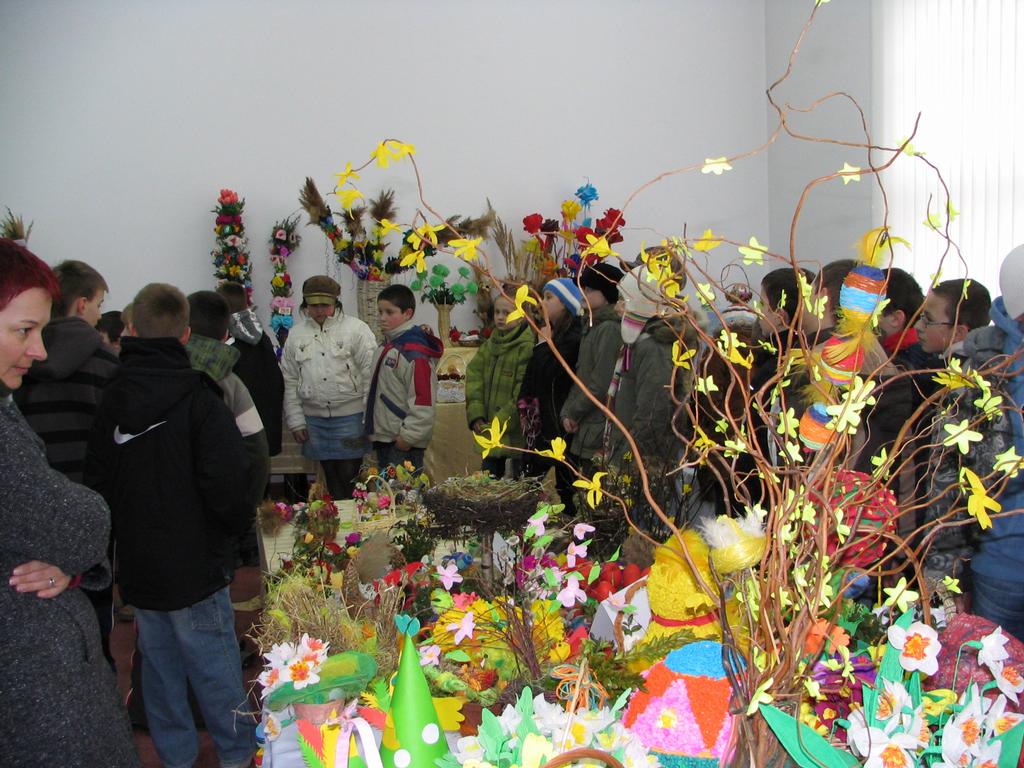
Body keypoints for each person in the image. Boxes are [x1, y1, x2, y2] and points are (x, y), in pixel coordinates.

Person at [85, 282, 255, 768]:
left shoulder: (111, 398)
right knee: (216, 666)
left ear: (130, 330)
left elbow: (97, 483)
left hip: (141, 564)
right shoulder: (201, 398)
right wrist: (229, 538)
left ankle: (176, 757)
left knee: (158, 669)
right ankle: (238, 755)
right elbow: (230, 483)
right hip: (198, 564)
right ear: (184, 335)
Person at [0, 239, 139, 766]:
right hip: (32, 689)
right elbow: (81, 523)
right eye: (24, 330)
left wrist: (69, 561)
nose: (38, 350)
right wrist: (82, 530)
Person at [13, 258, 120, 663]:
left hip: (31, 510)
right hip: (93, 503)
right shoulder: (107, 364)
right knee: (94, 612)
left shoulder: (18, 366)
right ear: (81, 304)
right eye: (99, 304)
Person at [916, 279, 996, 584]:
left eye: (928, 319)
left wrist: (942, 568)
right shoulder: (963, 372)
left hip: (953, 552)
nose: (919, 327)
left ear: (960, 332)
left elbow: (947, 479)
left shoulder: (964, 386)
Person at [187, 290, 269, 565]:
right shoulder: (229, 382)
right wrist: (247, 508)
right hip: (219, 498)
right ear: (226, 334)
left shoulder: (159, 372)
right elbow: (257, 448)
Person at [969, 245, 1024, 639]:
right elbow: (949, 470)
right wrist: (943, 569)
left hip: (1000, 559)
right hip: (1001, 563)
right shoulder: (982, 362)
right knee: (991, 671)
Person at [282, 275, 377, 498]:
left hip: (351, 417)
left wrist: (369, 418)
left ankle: (352, 516)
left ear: (336, 303)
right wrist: (296, 420)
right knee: (331, 476)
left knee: (350, 476)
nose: (320, 311)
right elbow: (290, 379)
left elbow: (370, 376)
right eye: (313, 306)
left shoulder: (357, 329)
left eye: (325, 305)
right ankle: (338, 514)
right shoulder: (296, 334)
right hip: (314, 420)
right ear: (305, 305)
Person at [518, 278, 584, 514]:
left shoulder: (574, 337)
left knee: (567, 487)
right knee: (528, 483)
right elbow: (533, 377)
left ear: (566, 304)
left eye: (549, 298)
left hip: (562, 424)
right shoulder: (553, 333)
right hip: (544, 422)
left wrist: (544, 345)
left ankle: (570, 529)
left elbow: (550, 373)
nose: (541, 303)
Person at [365, 283, 444, 471]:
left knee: (404, 488)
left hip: (403, 441)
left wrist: (408, 437)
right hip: (385, 437)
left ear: (408, 314)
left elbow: (423, 400)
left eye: (389, 312)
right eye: (380, 312)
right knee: (386, 488)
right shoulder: (386, 346)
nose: (382, 318)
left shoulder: (414, 353)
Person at [466, 289, 536, 478]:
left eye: (507, 312)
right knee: (488, 483)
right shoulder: (489, 345)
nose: (500, 317)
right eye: (497, 312)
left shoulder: (526, 348)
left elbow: (522, 393)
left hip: (513, 438)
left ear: (521, 316)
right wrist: (477, 414)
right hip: (490, 434)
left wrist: (499, 422)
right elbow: (474, 376)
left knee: (513, 486)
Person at [560, 262, 624, 471]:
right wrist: (568, 412)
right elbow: (581, 377)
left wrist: (573, 412)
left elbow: (600, 382)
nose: (583, 294)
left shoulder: (609, 329)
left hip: (598, 427)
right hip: (586, 424)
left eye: (589, 289)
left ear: (606, 294)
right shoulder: (592, 326)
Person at [217, 281, 285, 457]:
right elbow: (276, 380)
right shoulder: (262, 336)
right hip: (263, 428)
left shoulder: (228, 343)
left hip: (239, 430)